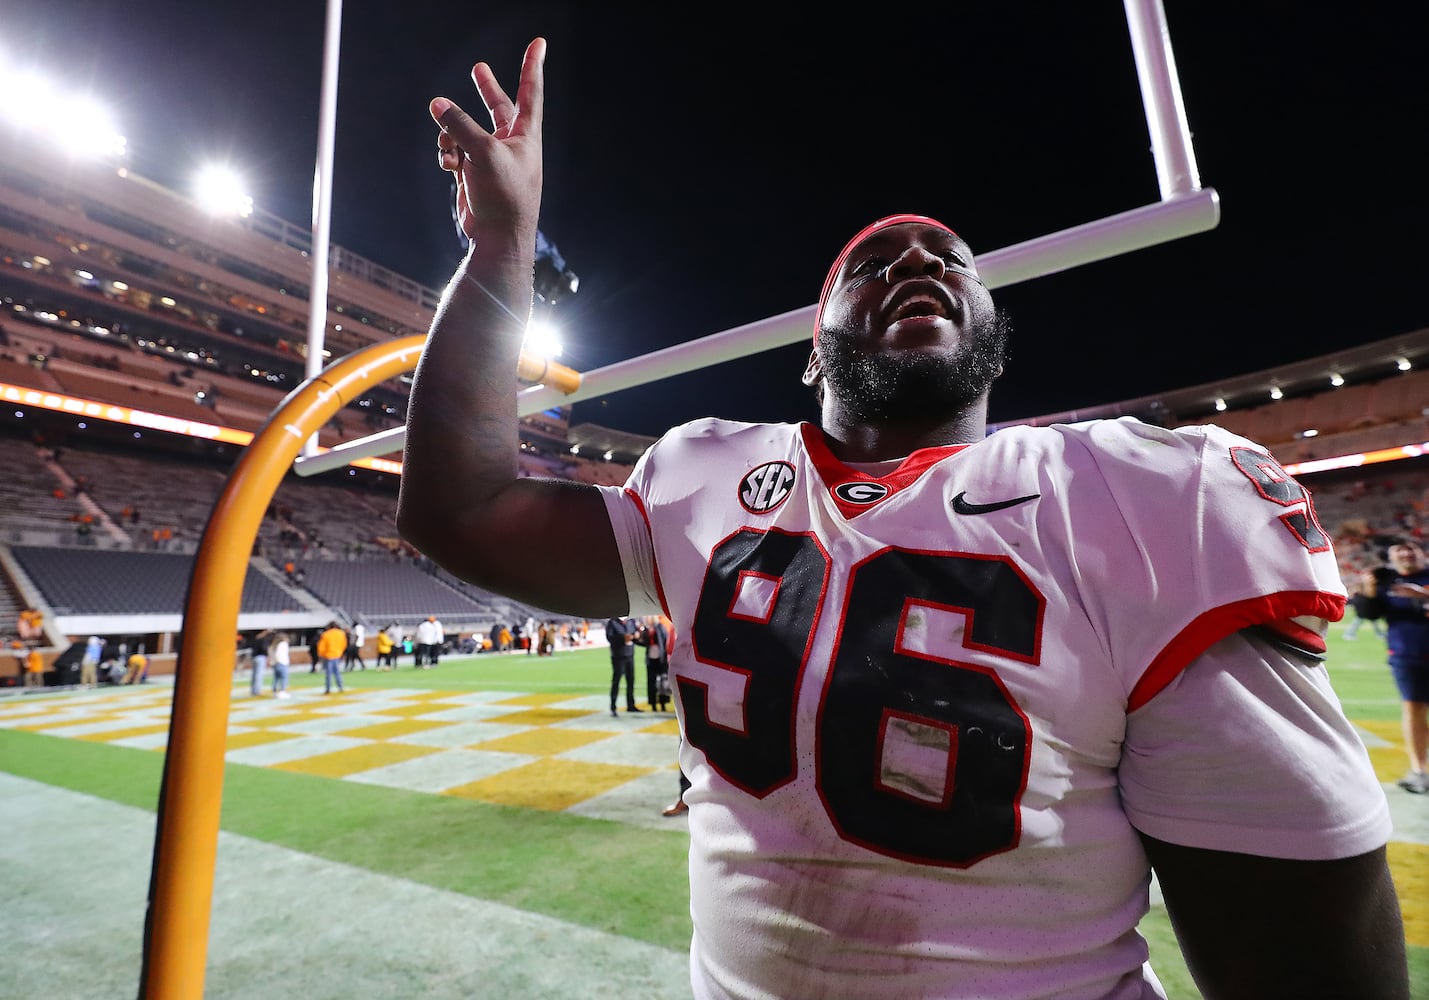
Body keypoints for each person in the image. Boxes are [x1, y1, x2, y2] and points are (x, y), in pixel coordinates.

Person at [394, 38, 1407, 999]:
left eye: (949, 258)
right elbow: (462, 507)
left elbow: (1302, 963)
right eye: (871, 264)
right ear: (812, 352)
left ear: (993, 339)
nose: (918, 262)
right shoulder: (703, 469)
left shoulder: (1145, 493)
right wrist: (498, 249)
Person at [1353, 540, 1429, 794]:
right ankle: (1420, 771)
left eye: (1410, 549)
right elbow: (1369, 614)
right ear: (1391, 558)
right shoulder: (1387, 582)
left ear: (1421, 553)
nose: (1406, 553)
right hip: (1407, 655)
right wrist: (1369, 589)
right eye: (1399, 550)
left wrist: (1422, 594)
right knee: (1413, 709)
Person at [603, 616, 641, 717]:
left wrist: (637, 635)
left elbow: (636, 633)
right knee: (616, 681)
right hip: (618, 656)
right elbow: (609, 638)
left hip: (630, 655)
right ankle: (613, 706)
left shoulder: (631, 621)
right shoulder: (612, 622)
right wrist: (623, 638)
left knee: (631, 681)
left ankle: (631, 705)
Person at [637, 615, 672, 713]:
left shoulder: (660, 627)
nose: (647, 619)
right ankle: (653, 704)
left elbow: (665, 640)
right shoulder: (646, 629)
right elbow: (643, 642)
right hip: (650, 659)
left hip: (660, 659)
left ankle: (663, 704)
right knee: (651, 683)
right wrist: (635, 639)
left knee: (662, 683)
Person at [315, 621, 347, 695]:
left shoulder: (326, 634)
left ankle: (328, 688)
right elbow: (344, 644)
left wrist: (320, 655)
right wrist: (340, 652)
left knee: (328, 673)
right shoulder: (341, 633)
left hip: (328, 656)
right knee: (337, 672)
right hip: (337, 655)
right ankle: (340, 686)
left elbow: (321, 647)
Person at [248, 629, 271, 697]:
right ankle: (257, 691)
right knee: (259, 675)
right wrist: (267, 655)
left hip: (255, 657)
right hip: (260, 657)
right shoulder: (262, 639)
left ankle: (253, 690)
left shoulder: (255, 638)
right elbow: (264, 648)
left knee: (254, 675)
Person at [270, 631, 291, 699]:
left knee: (276, 678)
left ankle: (274, 692)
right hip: (282, 663)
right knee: (284, 678)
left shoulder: (273, 645)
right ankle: (282, 692)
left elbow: (272, 654)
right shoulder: (283, 644)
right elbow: (281, 654)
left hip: (275, 664)